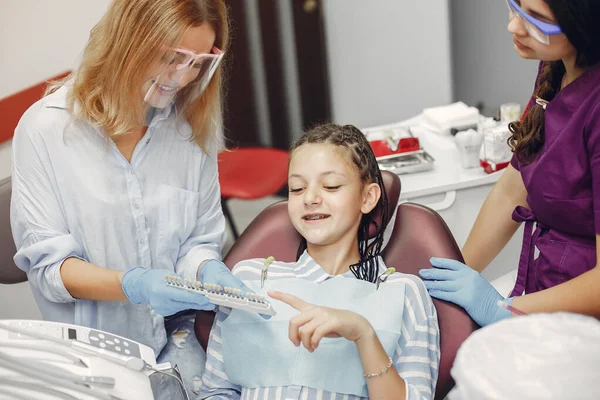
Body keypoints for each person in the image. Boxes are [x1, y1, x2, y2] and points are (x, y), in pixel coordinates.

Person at [10, 0, 249, 397]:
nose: (183, 76)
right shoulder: (46, 129)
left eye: (198, 62)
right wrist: (133, 284)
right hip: (90, 356)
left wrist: (207, 269)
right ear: (128, 41)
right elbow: (50, 270)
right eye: (172, 58)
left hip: (177, 338)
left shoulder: (189, 131)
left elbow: (196, 242)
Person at [200, 124, 440, 400]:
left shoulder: (403, 292)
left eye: (331, 186)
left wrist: (364, 335)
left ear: (367, 197)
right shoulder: (250, 279)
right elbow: (216, 391)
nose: (311, 199)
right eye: (297, 188)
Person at [419, 0, 600, 327]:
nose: (514, 27)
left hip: (582, 319)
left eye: (538, 19)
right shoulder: (557, 66)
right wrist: (444, 283)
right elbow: (512, 192)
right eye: (515, 6)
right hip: (544, 284)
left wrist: (502, 309)